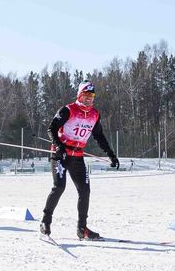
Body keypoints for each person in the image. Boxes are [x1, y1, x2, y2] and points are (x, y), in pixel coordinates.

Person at [41, 81, 118, 241]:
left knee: (85, 190)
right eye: (86, 95)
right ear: (79, 95)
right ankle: (45, 222)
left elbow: (99, 136)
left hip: (77, 156)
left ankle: (82, 229)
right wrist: (59, 146)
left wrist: (111, 154)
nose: (89, 98)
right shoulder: (68, 110)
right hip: (61, 155)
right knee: (59, 187)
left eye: (92, 95)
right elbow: (51, 129)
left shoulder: (94, 114)